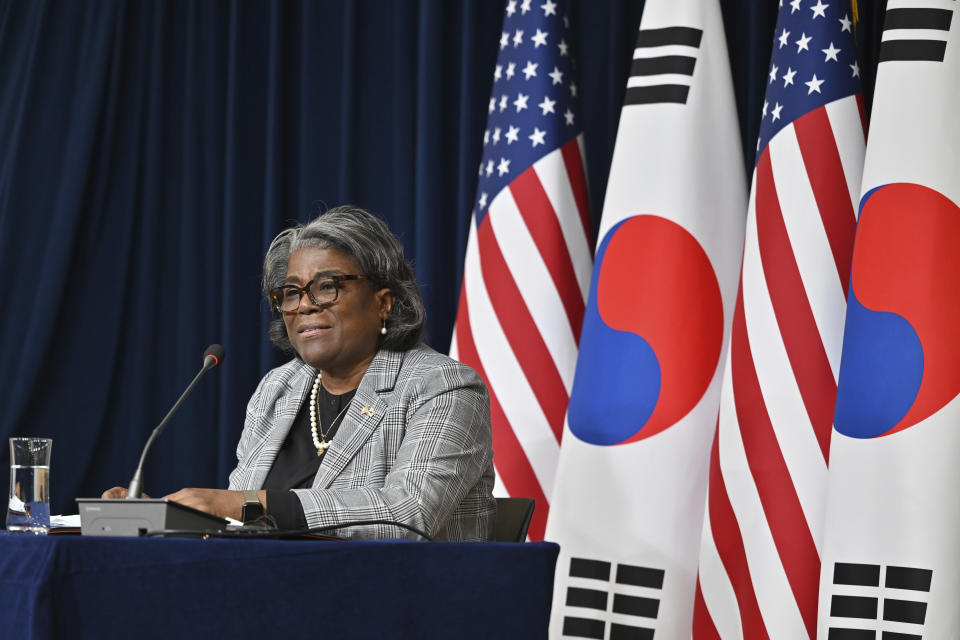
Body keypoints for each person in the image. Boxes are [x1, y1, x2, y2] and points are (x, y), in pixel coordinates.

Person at [104, 205, 496, 540]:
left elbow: (408, 514)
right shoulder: (279, 388)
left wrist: (246, 504)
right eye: (290, 292)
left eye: (327, 287)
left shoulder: (442, 386)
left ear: (384, 303)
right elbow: (238, 521)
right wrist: (165, 516)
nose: (305, 305)